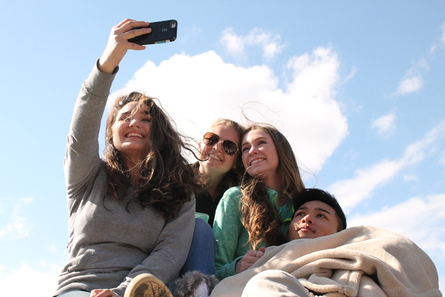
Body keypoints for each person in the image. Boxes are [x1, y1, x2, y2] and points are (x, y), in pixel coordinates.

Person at [54, 19, 199, 297]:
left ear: (157, 132)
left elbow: (170, 253)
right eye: (125, 117)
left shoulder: (179, 192)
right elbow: (81, 129)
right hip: (80, 288)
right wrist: (108, 61)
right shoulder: (86, 176)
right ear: (110, 132)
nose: (134, 123)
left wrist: (122, 292)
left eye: (145, 119)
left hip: (142, 290)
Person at [213, 123, 306, 281]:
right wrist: (236, 267)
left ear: (280, 149)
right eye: (245, 148)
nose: (252, 151)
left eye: (261, 143)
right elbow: (215, 268)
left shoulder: (305, 205)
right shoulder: (236, 198)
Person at [173, 119, 245, 296]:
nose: (217, 147)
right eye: (211, 139)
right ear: (200, 145)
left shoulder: (239, 198)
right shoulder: (174, 181)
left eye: (229, 147)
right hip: (172, 268)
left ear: (236, 161)